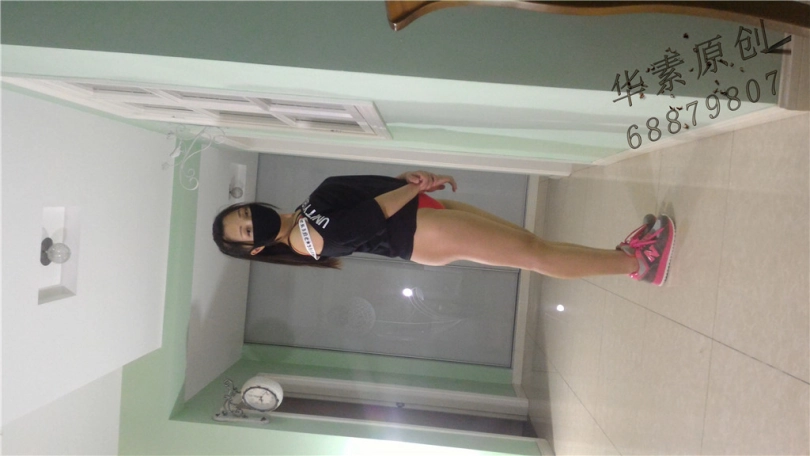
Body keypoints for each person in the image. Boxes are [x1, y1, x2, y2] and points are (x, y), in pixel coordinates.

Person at [212, 170, 675, 285]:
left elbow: (366, 195)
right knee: (534, 256)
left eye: (245, 215)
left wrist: (409, 181)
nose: (252, 222)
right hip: (420, 233)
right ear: (255, 249)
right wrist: (413, 189)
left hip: (423, 213)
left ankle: (624, 255)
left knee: (533, 244)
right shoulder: (306, 240)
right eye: (246, 232)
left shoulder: (302, 213)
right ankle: (637, 263)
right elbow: (371, 217)